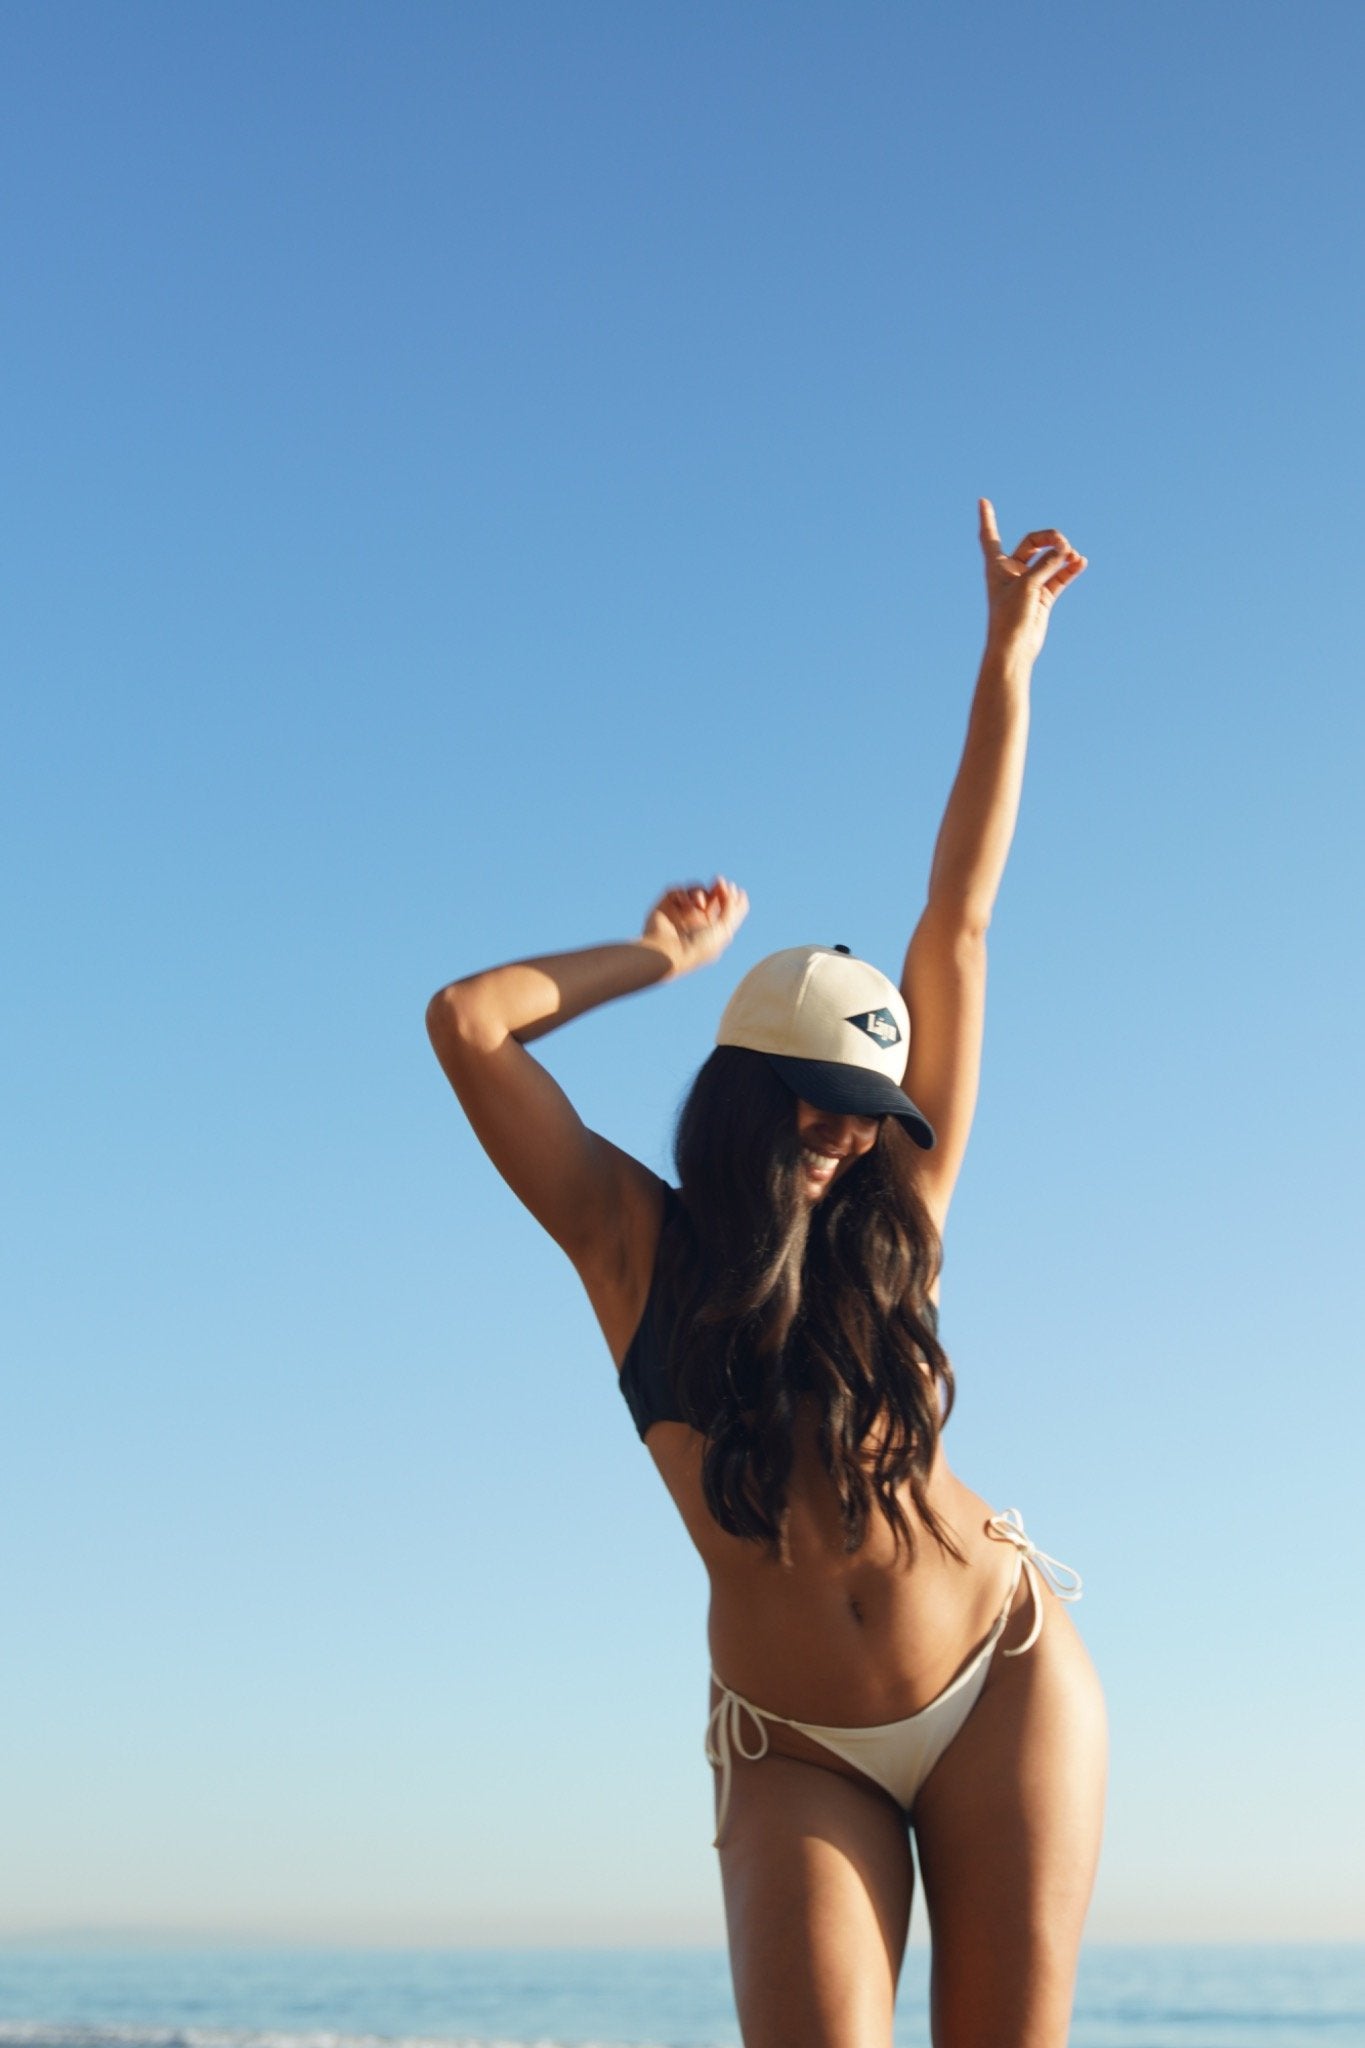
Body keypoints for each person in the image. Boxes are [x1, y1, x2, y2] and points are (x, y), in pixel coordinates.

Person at [424, 499, 1108, 2048]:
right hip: (794, 1741)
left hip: (998, 1680)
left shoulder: (897, 1205)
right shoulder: (630, 1244)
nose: (838, 1135)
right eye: (810, 1100)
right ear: (737, 1090)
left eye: (865, 1113)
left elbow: (964, 919)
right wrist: (652, 961)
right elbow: (468, 1022)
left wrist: (1008, 657)